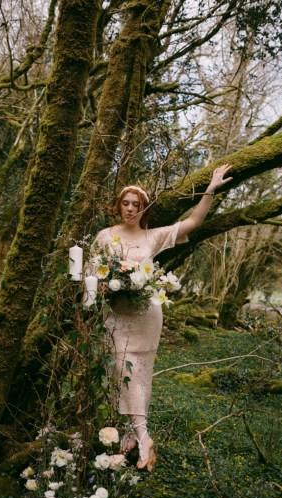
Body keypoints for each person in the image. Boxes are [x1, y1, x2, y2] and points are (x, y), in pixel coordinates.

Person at [91, 164, 233, 471]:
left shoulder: (152, 237)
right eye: (125, 203)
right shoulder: (104, 236)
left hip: (145, 315)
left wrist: (210, 188)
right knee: (117, 372)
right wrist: (104, 285)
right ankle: (136, 436)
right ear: (119, 206)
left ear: (144, 209)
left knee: (139, 374)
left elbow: (193, 222)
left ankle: (138, 439)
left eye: (136, 205)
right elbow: (91, 274)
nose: (130, 208)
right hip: (115, 315)